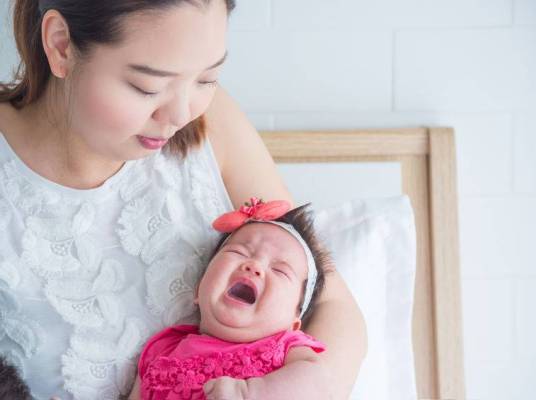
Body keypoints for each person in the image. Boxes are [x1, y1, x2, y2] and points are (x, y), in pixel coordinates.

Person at [0, 1, 367, 399]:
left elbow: (332, 306)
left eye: (207, 79)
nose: (180, 114)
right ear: (60, 45)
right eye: (148, 87)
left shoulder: (212, 123)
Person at [129, 199, 330, 399]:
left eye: (279, 270)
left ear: (294, 323)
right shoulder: (163, 348)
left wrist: (249, 392)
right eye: (238, 252)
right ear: (199, 289)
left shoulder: (287, 347)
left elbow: (319, 385)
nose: (254, 266)